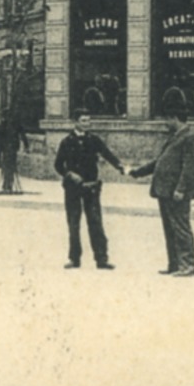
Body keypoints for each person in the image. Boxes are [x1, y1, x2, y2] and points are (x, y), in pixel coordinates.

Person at [130, 110, 194, 276]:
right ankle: (175, 264)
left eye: (167, 119)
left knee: (181, 227)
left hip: (176, 192)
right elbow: (159, 161)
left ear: (175, 117)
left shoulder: (191, 137)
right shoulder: (176, 136)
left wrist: (181, 189)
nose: (165, 123)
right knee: (170, 228)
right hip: (165, 191)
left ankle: (188, 265)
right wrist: (138, 172)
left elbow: (190, 166)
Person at [53, 111, 123, 269]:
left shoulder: (94, 140)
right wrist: (69, 174)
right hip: (73, 188)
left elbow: (107, 154)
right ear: (75, 122)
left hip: (91, 187)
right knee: (73, 223)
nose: (87, 123)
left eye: (88, 120)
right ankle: (74, 259)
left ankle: (102, 259)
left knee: (96, 222)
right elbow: (58, 165)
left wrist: (119, 165)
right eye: (83, 120)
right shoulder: (66, 142)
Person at [0, 115, 27, 195]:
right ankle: (8, 183)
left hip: (7, 148)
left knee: (7, 166)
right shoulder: (15, 124)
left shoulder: (4, 124)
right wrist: (26, 145)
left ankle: (7, 184)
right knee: (10, 166)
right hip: (12, 148)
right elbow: (22, 135)